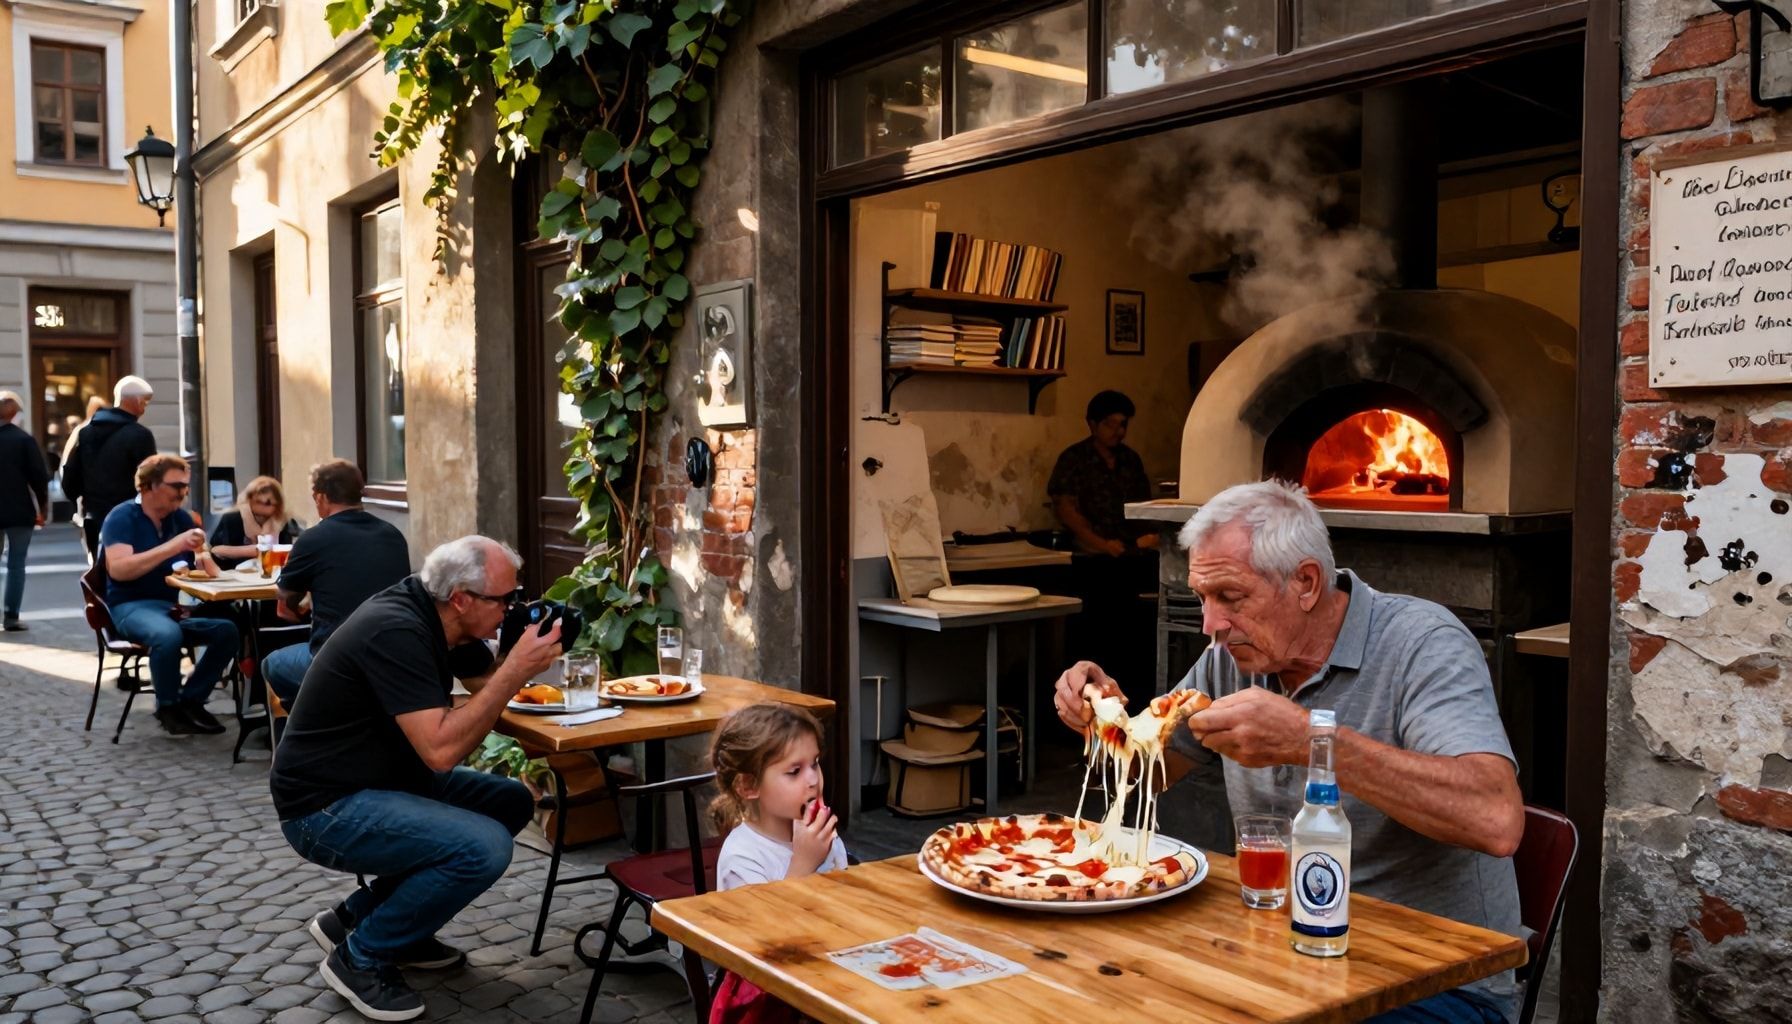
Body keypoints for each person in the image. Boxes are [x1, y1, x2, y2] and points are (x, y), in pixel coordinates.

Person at [1052, 480, 1525, 1024]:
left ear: (1305, 582)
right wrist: (1103, 722)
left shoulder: (1425, 643)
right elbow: (1146, 777)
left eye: (1230, 598)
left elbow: (1496, 819)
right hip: (1277, 951)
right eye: (1202, 598)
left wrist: (1311, 741)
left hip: (1434, 983)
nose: (1211, 627)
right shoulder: (1231, 657)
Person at [271, 536, 566, 1020]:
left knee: (509, 801)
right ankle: (361, 957)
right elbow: (442, 750)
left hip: (382, 780)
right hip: (323, 805)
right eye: (506, 600)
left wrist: (515, 649)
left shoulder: (441, 620)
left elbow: (482, 679)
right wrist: (514, 671)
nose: (515, 607)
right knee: (483, 846)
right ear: (462, 599)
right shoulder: (396, 630)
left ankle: (357, 918)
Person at [706, 704, 847, 1024]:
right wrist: (803, 863)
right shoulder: (742, 856)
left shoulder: (817, 833)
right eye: (794, 771)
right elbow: (764, 943)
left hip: (826, 980)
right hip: (768, 1003)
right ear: (749, 786)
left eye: (815, 763)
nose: (813, 779)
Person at [101, 455, 240, 737]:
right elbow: (119, 570)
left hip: (168, 608)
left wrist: (203, 553)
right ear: (149, 486)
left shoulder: (180, 518)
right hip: (129, 606)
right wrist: (173, 546)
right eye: (176, 485)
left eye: (186, 486)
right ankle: (167, 707)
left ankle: (191, 701)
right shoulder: (122, 517)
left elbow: (206, 569)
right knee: (166, 635)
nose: (183, 492)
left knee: (228, 630)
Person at [262, 460, 411, 703]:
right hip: (393, 656)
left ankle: (309, 729)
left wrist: (302, 607)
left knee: (273, 663)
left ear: (321, 497)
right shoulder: (392, 535)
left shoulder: (313, 539)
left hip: (339, 660)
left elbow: (284, 607)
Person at [1047, 390, 1158, 556]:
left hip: (1132, 550)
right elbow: (1066, 511)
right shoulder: (1074, 458)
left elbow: (1143, 505)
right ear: (1092, 425)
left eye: (1123, 425)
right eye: (1110, 424)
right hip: (1089, 553)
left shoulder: (1130, 459)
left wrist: (1149, 537)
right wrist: (1102, 545)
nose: (1118, 431)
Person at [63, 377, 158, 561]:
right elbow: (150, 478)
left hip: (93, 516)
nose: (144, 408)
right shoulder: (140, 435)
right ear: (136, 401)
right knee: (130, 571)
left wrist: (83, 502)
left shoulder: (86, 432)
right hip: (131, 516)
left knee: (99, 574)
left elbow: (71, 475)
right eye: (144, 402)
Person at [0, 392, 50, 632]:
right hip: (19, 510)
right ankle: (11, 616)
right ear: (15, 414)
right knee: (16, 564)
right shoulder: (23, 440)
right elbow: (39, 478)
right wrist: (43, 508)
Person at [207, 475, 303, 570]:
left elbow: (290, 552)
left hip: (274, 576)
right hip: (236, 576)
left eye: (268, 502)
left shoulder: (284, 521)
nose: (262, 505)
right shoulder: (232, 518)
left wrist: (255, 550)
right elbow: (216, 551)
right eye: (258, 501)